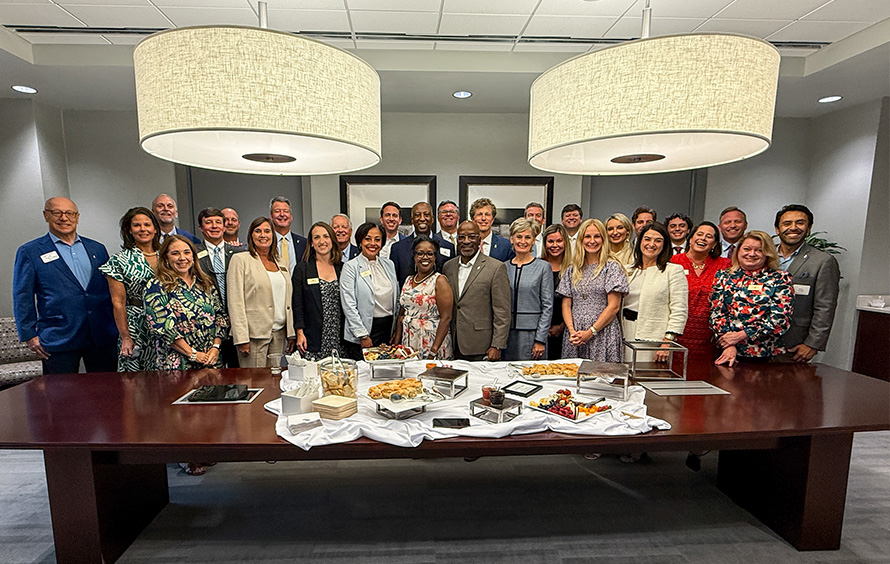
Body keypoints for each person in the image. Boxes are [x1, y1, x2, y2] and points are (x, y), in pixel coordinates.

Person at [13, 197, 118, 374]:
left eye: (69, 213)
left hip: (100, 334)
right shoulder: (30, 251)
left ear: (77, 217)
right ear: (46, 215)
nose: (64, 218)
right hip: (58, 336)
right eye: (57, 213)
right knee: (60, 396)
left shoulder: (97, 249)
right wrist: (29, 335)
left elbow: (109, 291)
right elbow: (22, 296)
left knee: (106, 392)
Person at [143, 235, 227, 370]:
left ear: (193, 257)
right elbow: (162, 328)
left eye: (187, 253)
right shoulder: (156, 286)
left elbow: (220, 317)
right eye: (175, 253)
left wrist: (215, 348)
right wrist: (193, 354)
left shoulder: (205, 283)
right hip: (177, 366)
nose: (182, 258)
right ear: (166, 258)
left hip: (211, 362)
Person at [710, 231, 794, 366]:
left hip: (764, 356)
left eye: (759, 250)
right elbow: (717, 313)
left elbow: (780, 319)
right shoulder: (724, 276)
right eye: (747, 249)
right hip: (726, 351)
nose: (752, 254)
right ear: (738, 251)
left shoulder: (780, 279)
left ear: (767, 253)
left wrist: (742, 335)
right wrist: (729, 344)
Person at [226, 217, 296, 368]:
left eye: (267, 231)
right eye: (258, 231)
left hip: (279, 334)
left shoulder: (281, 262)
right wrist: (241, 338)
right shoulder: (240, 260)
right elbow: (235, 301)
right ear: (251, 235)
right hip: (253, 336)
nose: (263, 235)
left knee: (275, 382)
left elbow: (287, 299)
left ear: (273, 235)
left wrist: (290, 332)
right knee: (254, 384)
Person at [774, 204, 840, 362]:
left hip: (795, 344)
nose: (793, 227)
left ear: (809, 228)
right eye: (787, 223)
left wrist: (813, 344)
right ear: (777, 229)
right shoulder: (763, 256)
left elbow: (825, 306)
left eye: (800, 223)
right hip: (757, 343)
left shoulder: (823, 261)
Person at [99, 206, 161, 372]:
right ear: (129, 230)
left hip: (166, 324)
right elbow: (118, 302)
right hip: (136, 325)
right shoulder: (119, 261)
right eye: (137, 225)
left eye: (147, 225)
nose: (143, 229)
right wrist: (126, 337)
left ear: (155, 228)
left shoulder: (168, 256)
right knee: (136, 384)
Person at [557, 219, 628, 362]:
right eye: (587, 237)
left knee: (602, 379)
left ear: (603, 239)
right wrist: (571, 331)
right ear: (581, 240)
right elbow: (566, 304)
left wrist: (591, 332)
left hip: (603, 333)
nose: (592, 241)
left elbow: (614, 306)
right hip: (575, 335)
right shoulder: (572, 270)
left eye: (597, 236)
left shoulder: (611, 268)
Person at [442, 221, 511, 361]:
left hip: (482, 345)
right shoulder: (448, 267)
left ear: (479, 240)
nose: (466, 241)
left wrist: (497, 345)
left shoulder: (495, 268)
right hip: (453, 343)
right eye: (461, 237)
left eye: (472, 237)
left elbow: (502, 312)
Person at [621, 223, 688, 363]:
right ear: (640, 241)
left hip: (653, 338)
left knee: (644, 377)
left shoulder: (673, 271)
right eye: (647, 239)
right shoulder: (627, 270)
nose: (651, 244)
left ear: (665, 245)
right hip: (624, 332)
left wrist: (667, 342)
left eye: (658, 240)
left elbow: (679, 310)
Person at [669, 221, 731, 362]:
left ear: (714, 244)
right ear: (690, 239)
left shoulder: (725, 265)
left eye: (709, 236)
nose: (703, 238)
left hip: (709, 336)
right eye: (699, 234)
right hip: (678, 332)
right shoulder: (673, 262)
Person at [340, 222, 400, 359]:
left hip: (387, 329)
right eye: (367, 239)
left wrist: (396, 330)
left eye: (377, 240)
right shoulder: (351, 267)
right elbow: (348, 304)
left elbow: (396, 298)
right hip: (364, 331)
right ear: (360, 241)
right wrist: (363, 335)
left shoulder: (388, 264)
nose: (372, 243)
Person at [195, 207, 247, 367]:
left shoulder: (240, 252)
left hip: (237, 321)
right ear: (201, 228)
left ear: (224, 227)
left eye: (218, 222)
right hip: (208, 322)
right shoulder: (193, 253)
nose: (214, 226)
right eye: (209, 223)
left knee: (238, 370)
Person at [393, 235, 454, 359]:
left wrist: (434, 351)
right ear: (414, 257)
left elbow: (446, 318)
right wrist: (396, 343)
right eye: (420, 253)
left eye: (430, 254)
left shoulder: (439, 280)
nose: (425, 257)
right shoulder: (408, 280)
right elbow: (402, 312)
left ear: (435, 257)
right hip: (409, 342)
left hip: (432, 342)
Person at [292, 222, 346, 360]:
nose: (322, 241)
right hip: (313, 337)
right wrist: (299, 332)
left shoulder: (343, 268)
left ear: (332, 240)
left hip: (340, 338)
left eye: (326, 237)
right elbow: (297, 305)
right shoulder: (302, 269)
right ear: (311, 243)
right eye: (316, 238)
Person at [504, 219, 553, 361]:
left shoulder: (543, 267)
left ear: (533, 241)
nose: (523, 241)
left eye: (527, 237)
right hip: (507, 334)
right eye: (519, 237)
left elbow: (548, 306)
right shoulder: (503, 267)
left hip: (532, 334)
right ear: (512, 239)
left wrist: (540, 339)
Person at [390, 202, 455, 285]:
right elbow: (394, 281)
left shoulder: (448, 246)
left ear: (432, 219)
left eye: (426, 215)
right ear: (412, 220)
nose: (422, 218)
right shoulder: (398, 248)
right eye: (417, 215)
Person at [541, 224, 572, 361]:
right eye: (550, 241)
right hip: (540, 330)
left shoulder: (573, 268)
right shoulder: (537, 266)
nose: (555, 245)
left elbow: (577, 303)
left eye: (559, 241)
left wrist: (561, 327)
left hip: (566, 329)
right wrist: (544, 328)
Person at [270, 196, 307, 275]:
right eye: (277, 211)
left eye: (286, 211)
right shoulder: (266, 242)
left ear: (291, 216)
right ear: (271, 216)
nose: (282, 214)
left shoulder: (304, 243)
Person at [470, 197, 514, 261]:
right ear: (473, 219)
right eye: (479, 214)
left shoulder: (505, 246)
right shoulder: (466, 244)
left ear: (492, 219)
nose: (483, 218)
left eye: (487, 214)